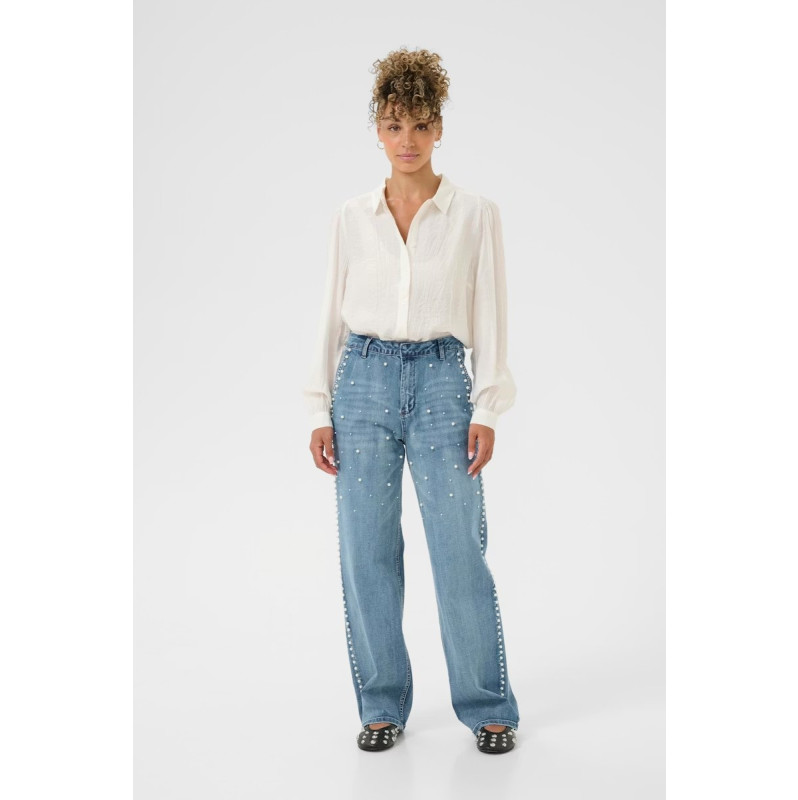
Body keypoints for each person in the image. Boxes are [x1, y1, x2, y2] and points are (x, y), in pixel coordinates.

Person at [303, 47, 520, 754]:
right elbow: (329, 315)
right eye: (394, 125)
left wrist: (486, 407)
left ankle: (487, 704)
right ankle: (381, 705)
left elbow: (490, 313)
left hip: (441, 383)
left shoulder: (474, 215)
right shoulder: (352, 216)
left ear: (439, 128)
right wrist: (318, 408)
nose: (408, 140)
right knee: (366, 552)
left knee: (459, 550)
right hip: (361, 382)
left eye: (421, 125)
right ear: (377, 128)